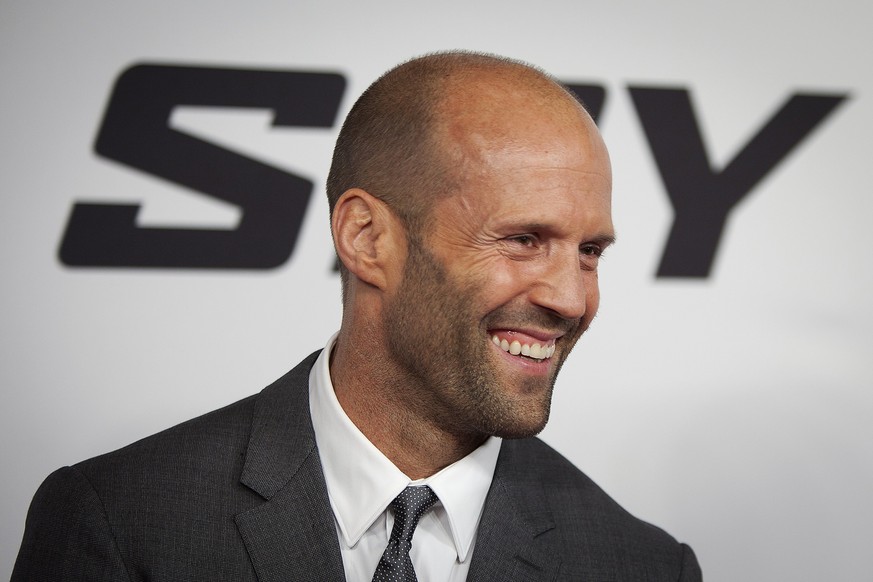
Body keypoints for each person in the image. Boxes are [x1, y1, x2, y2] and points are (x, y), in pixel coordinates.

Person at [13, 51, 702, 581]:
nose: (571, 299)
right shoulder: (119, 521)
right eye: (523, 240)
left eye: (588, 252)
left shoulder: (639, 565)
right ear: (366, 238)